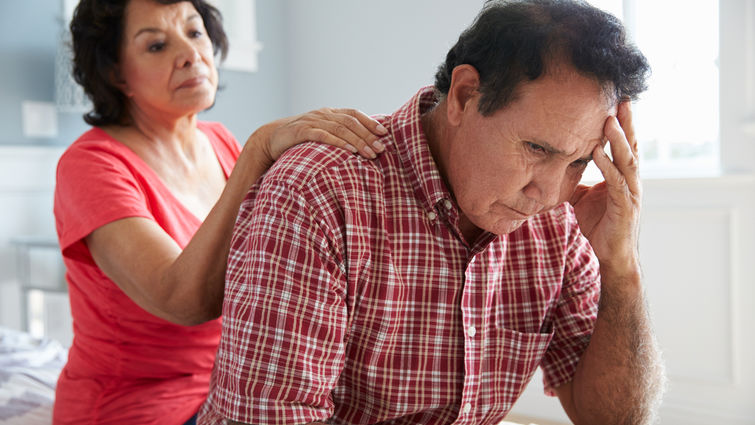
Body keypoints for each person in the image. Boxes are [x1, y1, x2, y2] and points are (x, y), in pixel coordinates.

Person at [199, 0, 667, 424]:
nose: (547, 194)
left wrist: (621, 265)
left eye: (580, 160)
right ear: (464, 96)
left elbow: (615, 419)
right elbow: (269, 419)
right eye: (537, 148)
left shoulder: (559, 221)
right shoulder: (318, 191)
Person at [52, 0, 387, 424]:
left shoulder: (220, 142)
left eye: (194, 33)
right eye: (156, 45)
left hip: (235, 385)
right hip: (143, 408)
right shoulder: (91, 166)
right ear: (117, 73)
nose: (191, 54)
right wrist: (259, 150)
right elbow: (182, 301)